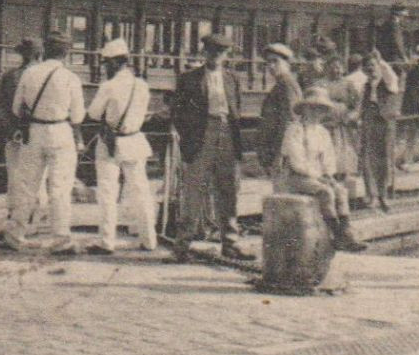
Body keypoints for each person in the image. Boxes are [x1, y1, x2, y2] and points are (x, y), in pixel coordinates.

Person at [170, 32, 252, 261]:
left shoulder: (233, 79)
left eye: (220, 53)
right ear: (204, 53)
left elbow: (237, 110)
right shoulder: (189, 78)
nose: (215, 57)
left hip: (227, 134)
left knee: (228, 191)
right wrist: (189, 138)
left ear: (226, 55)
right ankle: (182, 247)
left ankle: (230, 243)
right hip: (201, 136)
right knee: (193, 191)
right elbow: (178, 112)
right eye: (211, 52)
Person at [6, 32, 83, 254]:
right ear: (66, 53)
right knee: (60, 188)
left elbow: (15, 109)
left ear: (45, 51)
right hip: (61, 132)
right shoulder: (70, 78)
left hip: (34, 132)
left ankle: (15, 234)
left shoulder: (29, 73)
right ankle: (61, 239)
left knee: (27, 185)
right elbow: (77, 117)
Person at [274, 88, 369, 252]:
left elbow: (328, 159)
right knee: (326, 192)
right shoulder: (294, 130)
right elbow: (297, 161)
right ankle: (337, 234)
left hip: (315, 177)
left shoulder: (322, 132)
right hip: (295, 177)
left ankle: (347, 233)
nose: (316, 113)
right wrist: (318, 177)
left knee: (340, 190)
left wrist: (328, 175)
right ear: (304, 109)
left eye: (320, 109)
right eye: (312, 108)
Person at [88, 38, 155, 254]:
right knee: (141, 191)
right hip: (135, 141)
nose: (105, 68)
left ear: (115, 63)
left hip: (110, 143)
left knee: (107, 192)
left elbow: (94, 114)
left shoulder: (108, 86)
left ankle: (107, 242)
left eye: (106, 63)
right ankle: (149, 240)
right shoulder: (142, 85)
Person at [0, 38, 44, 240]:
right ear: (39, 55)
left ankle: (16, 221)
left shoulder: (11, 76)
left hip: (16, 136)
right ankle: (34, 220)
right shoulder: (47, 76)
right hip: (40, 135)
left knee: (15, 178)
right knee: (39, 180)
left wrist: (10, 128)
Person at [359, 50, 400, 211]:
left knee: (384, 159)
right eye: (368, 66)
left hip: (385, 122)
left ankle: (383, 195)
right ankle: (372, 196)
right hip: (369, 120)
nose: (371, 69)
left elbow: (390, 74)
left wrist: (380, 60)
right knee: (368, 159)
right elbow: (361, 104)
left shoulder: (389, 82)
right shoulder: (365, 86)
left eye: (373, 65)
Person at [257, 43, 302, 177]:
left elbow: (290, 121)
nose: (271, 66)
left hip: (285, 152)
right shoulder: (280, 85)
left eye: (275, 61)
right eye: (268, 62)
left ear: (287, 63)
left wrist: (280, 154)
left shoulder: (287, 85)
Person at [321, 53, 362, 202]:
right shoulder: (322, 84)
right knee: (327, 157)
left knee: (343, 156)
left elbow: (357, 104)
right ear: (327, 69)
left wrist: (353, 116)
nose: (336, 71)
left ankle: (345, 193)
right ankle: (329, 190)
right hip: (326, 125)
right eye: (333, 68)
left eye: (339, 68)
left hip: (343, 126)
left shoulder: (348, 84)